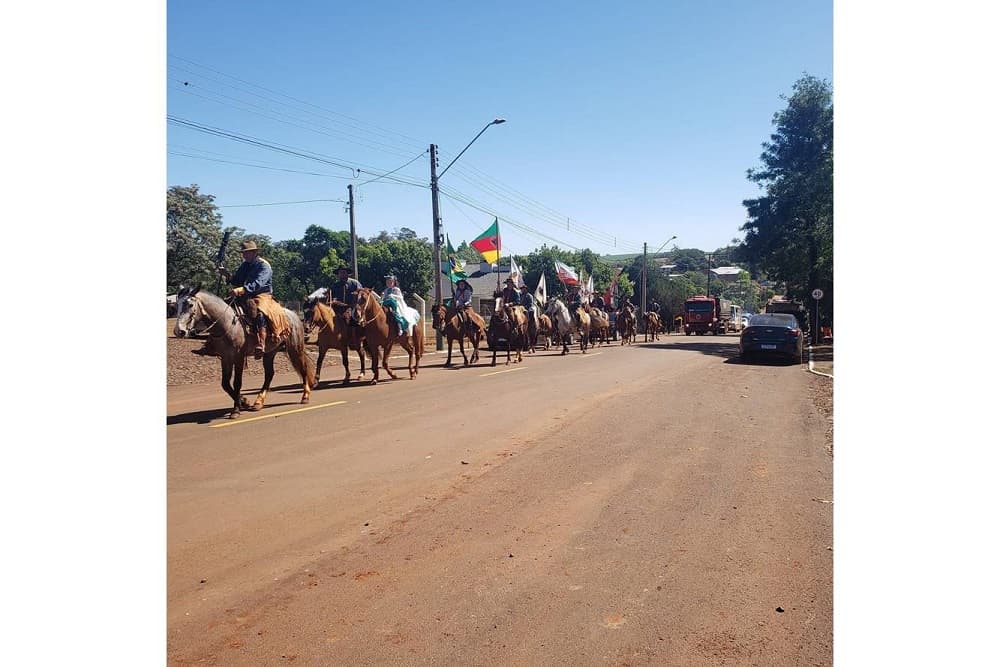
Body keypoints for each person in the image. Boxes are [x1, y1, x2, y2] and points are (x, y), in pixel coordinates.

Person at [218, 240, 277, 358]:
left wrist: (241, 290)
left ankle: (261, 343)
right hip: (246, 294)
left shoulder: (264, 266)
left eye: (247, 253)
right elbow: (237, 280)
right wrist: (227, 275)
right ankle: (213, 342)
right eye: (243, 253)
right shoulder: (245, 265)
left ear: (254, 252)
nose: (244, 255)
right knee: (222, 308)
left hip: (262, 295)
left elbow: (258, 283)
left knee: (259, 312)